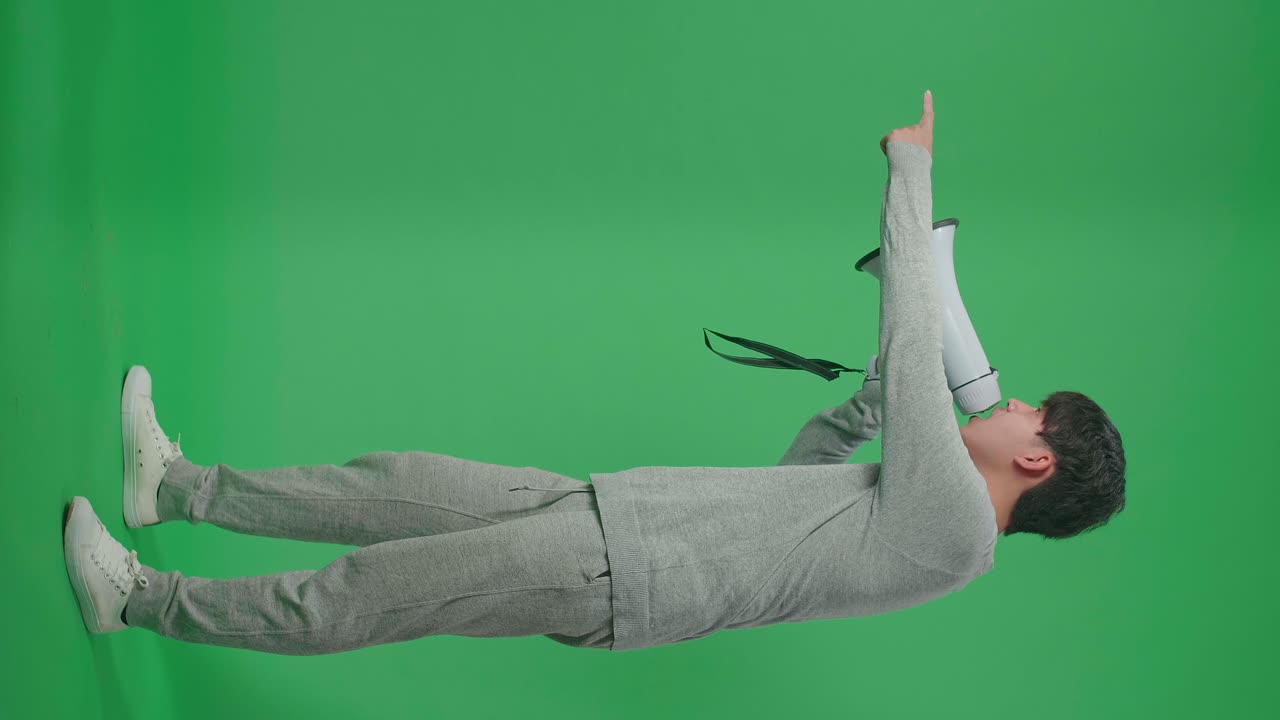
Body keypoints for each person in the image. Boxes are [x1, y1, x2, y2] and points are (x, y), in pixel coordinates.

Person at [63, 90, 1126, 656]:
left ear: (1034, 455)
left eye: (1026, 404)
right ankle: (175, 491)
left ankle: (143, 602)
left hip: (617, 573)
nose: (1008, 394)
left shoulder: (955, 531)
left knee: (366, 593)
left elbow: (909, 346)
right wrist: (855, 411)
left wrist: (911, 171)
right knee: (391, 483)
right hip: (616, 518)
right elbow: (799, 473)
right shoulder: (927, 510)